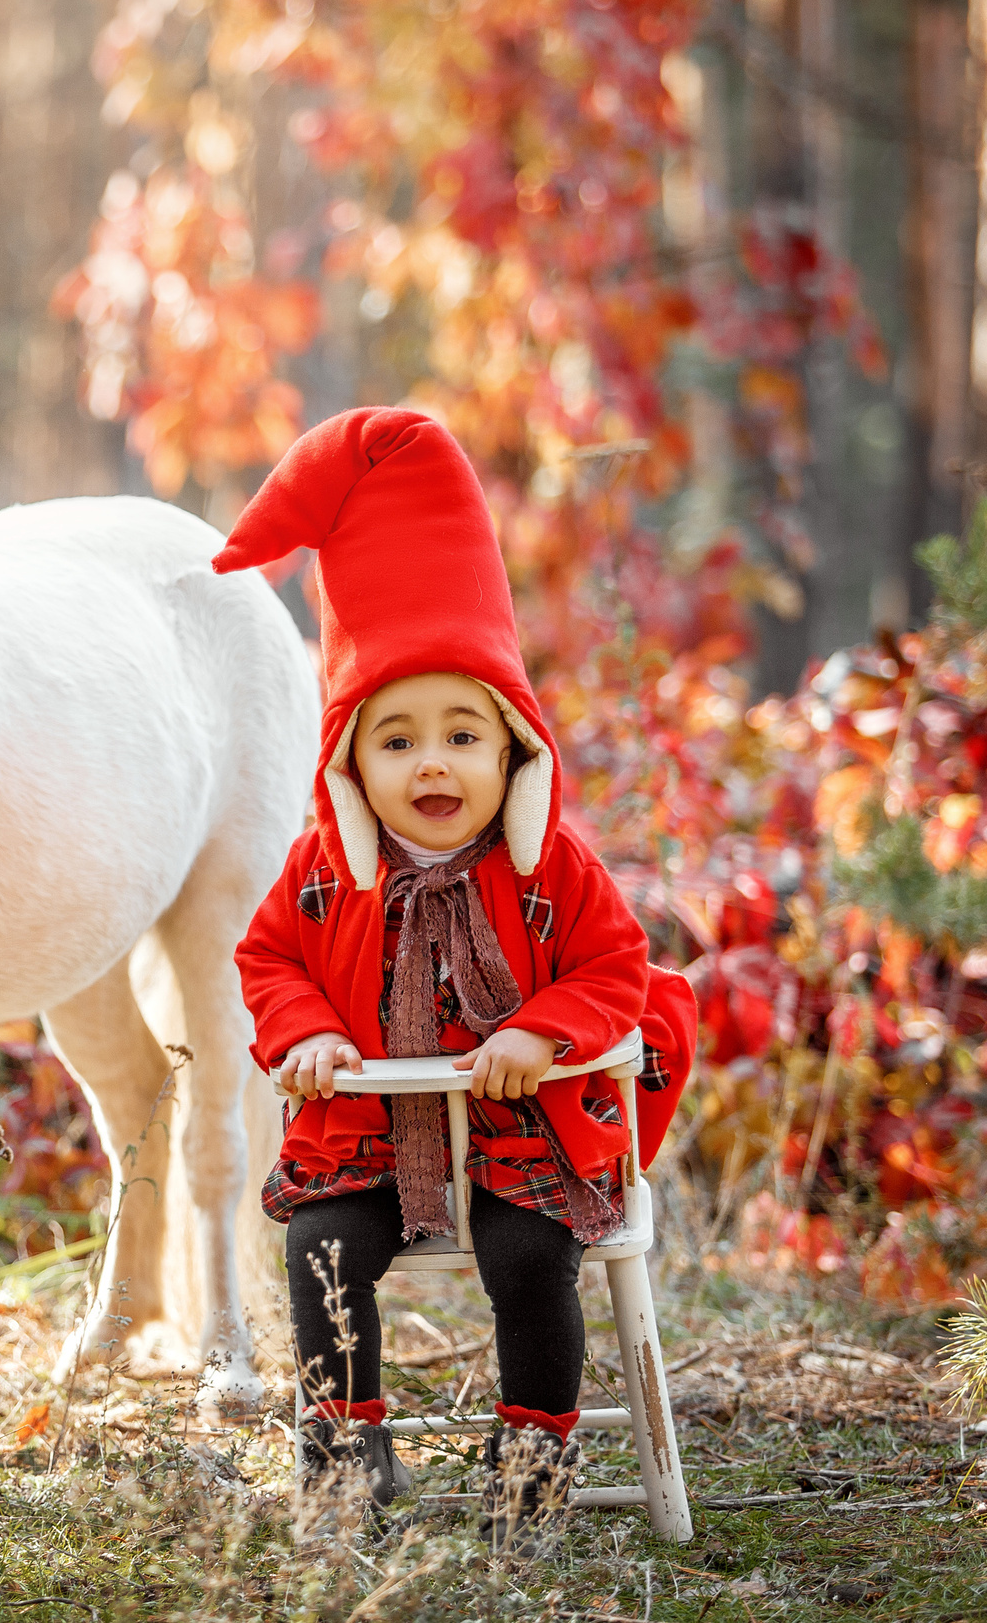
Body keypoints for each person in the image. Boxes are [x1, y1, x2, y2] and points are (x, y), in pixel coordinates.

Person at [210, 407, 695, 1540]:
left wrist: (544, 1034)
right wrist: (307, 1039)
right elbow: (266, 957)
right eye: (396, 740)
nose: (431, 760)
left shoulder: (550, 870)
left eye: (462, 736)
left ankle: (531, 1458)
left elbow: (617, 965)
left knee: (532, 1260)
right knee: (322, 1248)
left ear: (513, 747)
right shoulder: (324, 871)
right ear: (349, 764)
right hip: (366, 1143)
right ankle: (347, 1454)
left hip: (520, 1141)